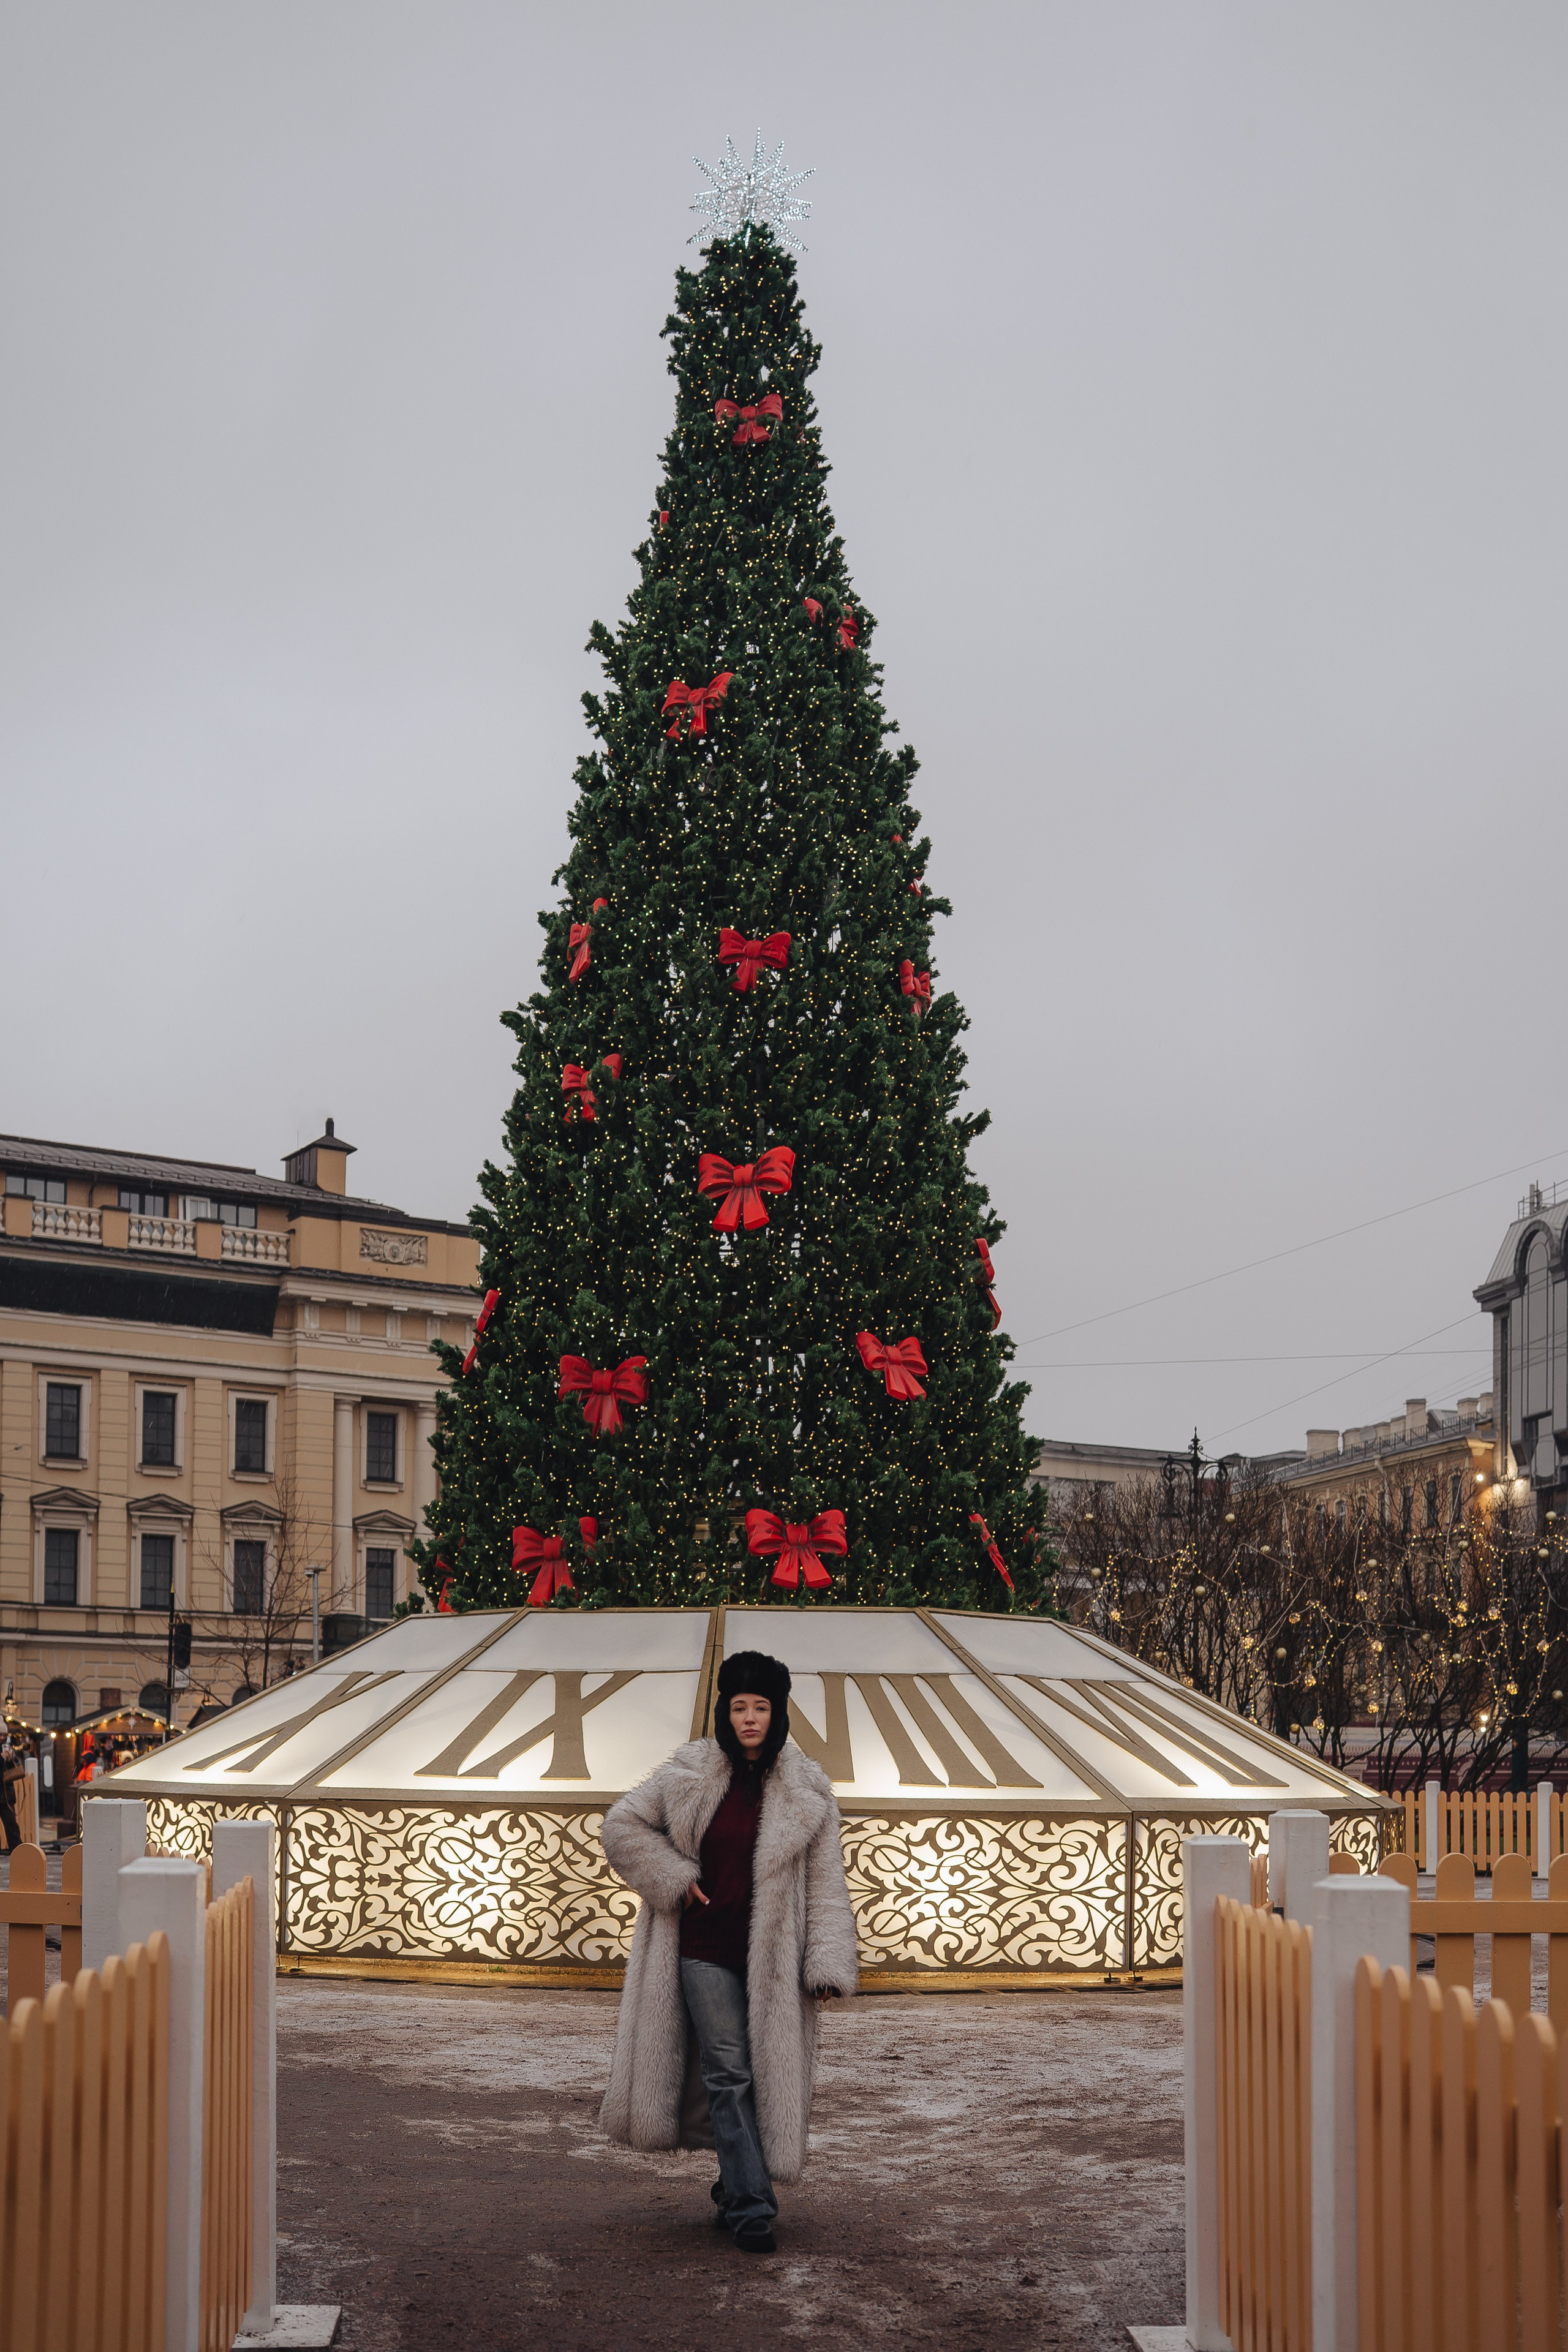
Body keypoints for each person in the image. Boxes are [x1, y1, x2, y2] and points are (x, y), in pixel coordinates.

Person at [598, 1649, 858, 2253]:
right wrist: (672, 1875)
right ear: (725, 1710)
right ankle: (751, 2207)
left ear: (777, 1713)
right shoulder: (690, 1772)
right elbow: (621, 1825)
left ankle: (732, 2185)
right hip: (701, 1948)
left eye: (760, 1707)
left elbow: (826, 1882)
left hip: (773, 1960)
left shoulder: (807, 1789)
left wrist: (825, 1961)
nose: (749, 1719)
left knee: (759, 2075)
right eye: (739, 1707)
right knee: (728, 2069)